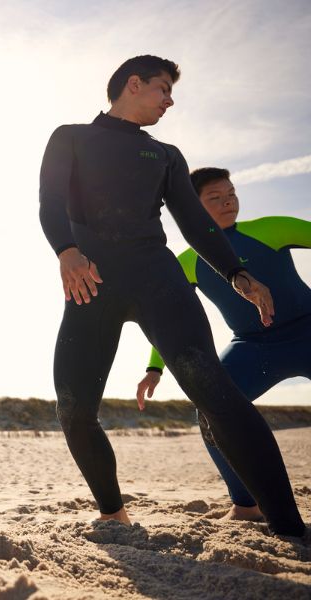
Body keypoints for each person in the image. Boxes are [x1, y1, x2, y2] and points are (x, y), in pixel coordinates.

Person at [38, 54, 305, 537]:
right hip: (91, 285)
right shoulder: (71, 137)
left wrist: (237, 274)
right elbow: (50, 202)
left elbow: (196, 223)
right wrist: (67, 250)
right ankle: (113, 513)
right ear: (133, 84)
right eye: (163, 89)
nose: (170, 100)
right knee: (74, 409)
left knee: (219, 398)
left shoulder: (164, 154)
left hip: (159, 282)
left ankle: (288, 526)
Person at [136, 168, 311, 521]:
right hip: (254, 347)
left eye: (231, 193)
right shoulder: (188, 263)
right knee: (209, 411)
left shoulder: (273, 228)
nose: (228, 200)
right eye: (215, 197)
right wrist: (155, 368)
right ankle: (247, 505)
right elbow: (170, 321)